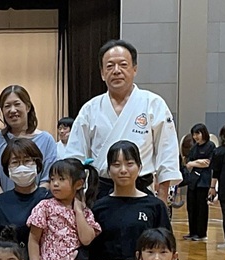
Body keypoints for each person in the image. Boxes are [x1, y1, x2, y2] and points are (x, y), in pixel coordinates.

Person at [65, 40, 182, 202]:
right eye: (110, 66)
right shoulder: (90, 109)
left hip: (141, 189)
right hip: (101, 191)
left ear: (135, 69)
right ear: (102, 73)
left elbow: (167, 154)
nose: (116, 71)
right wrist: (78, 201)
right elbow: (74, 156)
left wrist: (162, 199)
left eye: (123, 65)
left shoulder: (153, 104)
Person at [0, 85, 59, 194]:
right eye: (7, 106)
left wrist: (37, 207)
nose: (12, 110)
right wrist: (3, 204)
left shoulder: (46, 140)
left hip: (39, 206)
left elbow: (47, 178)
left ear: (28, 107)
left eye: (17, 104)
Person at [0, 138, 50, 260]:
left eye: (27, 161)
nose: (22, 167)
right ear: (7, 169)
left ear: (37, 164)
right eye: (15, 162)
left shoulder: (49, 198)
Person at [184, 123, 215, 242]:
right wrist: (197, 162)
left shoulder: (210, 146)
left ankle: (201, 233)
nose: (195, 136)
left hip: (203, 182)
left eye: (198, 133)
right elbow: (188, 164)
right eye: (194, 134)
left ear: (203, 133)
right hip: (193, 181)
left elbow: (208, 163)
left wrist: (195, 163)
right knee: (191, 207)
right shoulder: (194, 148)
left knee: (202, 208)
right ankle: (192, 232)